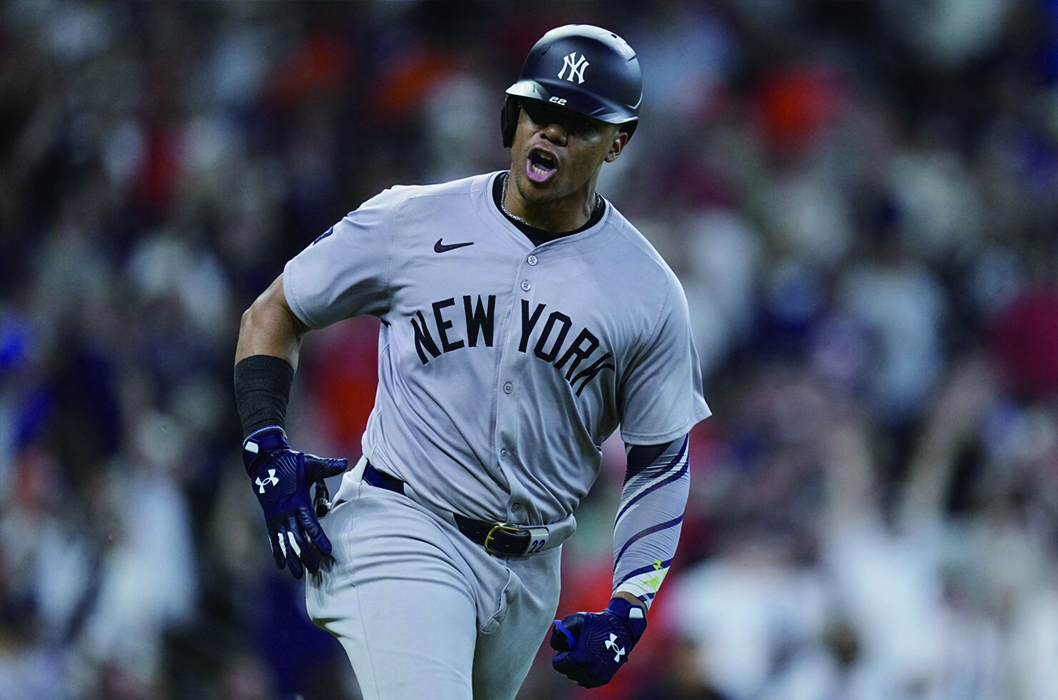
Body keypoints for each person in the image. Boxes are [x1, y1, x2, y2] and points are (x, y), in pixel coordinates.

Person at [233, 24, 711, 700]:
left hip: (531, 571)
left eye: (578, 123)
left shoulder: (648, 290)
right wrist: (266, 447)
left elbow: (660, 460)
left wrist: (631, 603)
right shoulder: (410, 221)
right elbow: (272, 313)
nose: (551, 132)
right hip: (404, 523)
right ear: (513, 116)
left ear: (618, 141)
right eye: (538, 111)